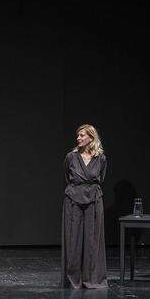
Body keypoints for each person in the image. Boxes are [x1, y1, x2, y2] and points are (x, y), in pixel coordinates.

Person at [63, 124, 107, 289]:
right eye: (78, 135)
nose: (78, 138)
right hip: (73, 199)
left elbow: (101, 177)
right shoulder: (71, 157)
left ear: (91, 137)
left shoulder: (100, 158)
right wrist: (76, 189)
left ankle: (91, 279)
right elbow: (67, 176)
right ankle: (73, 279)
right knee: (73, 240)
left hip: (94, 200)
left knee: (92, 239)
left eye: (82, 135)